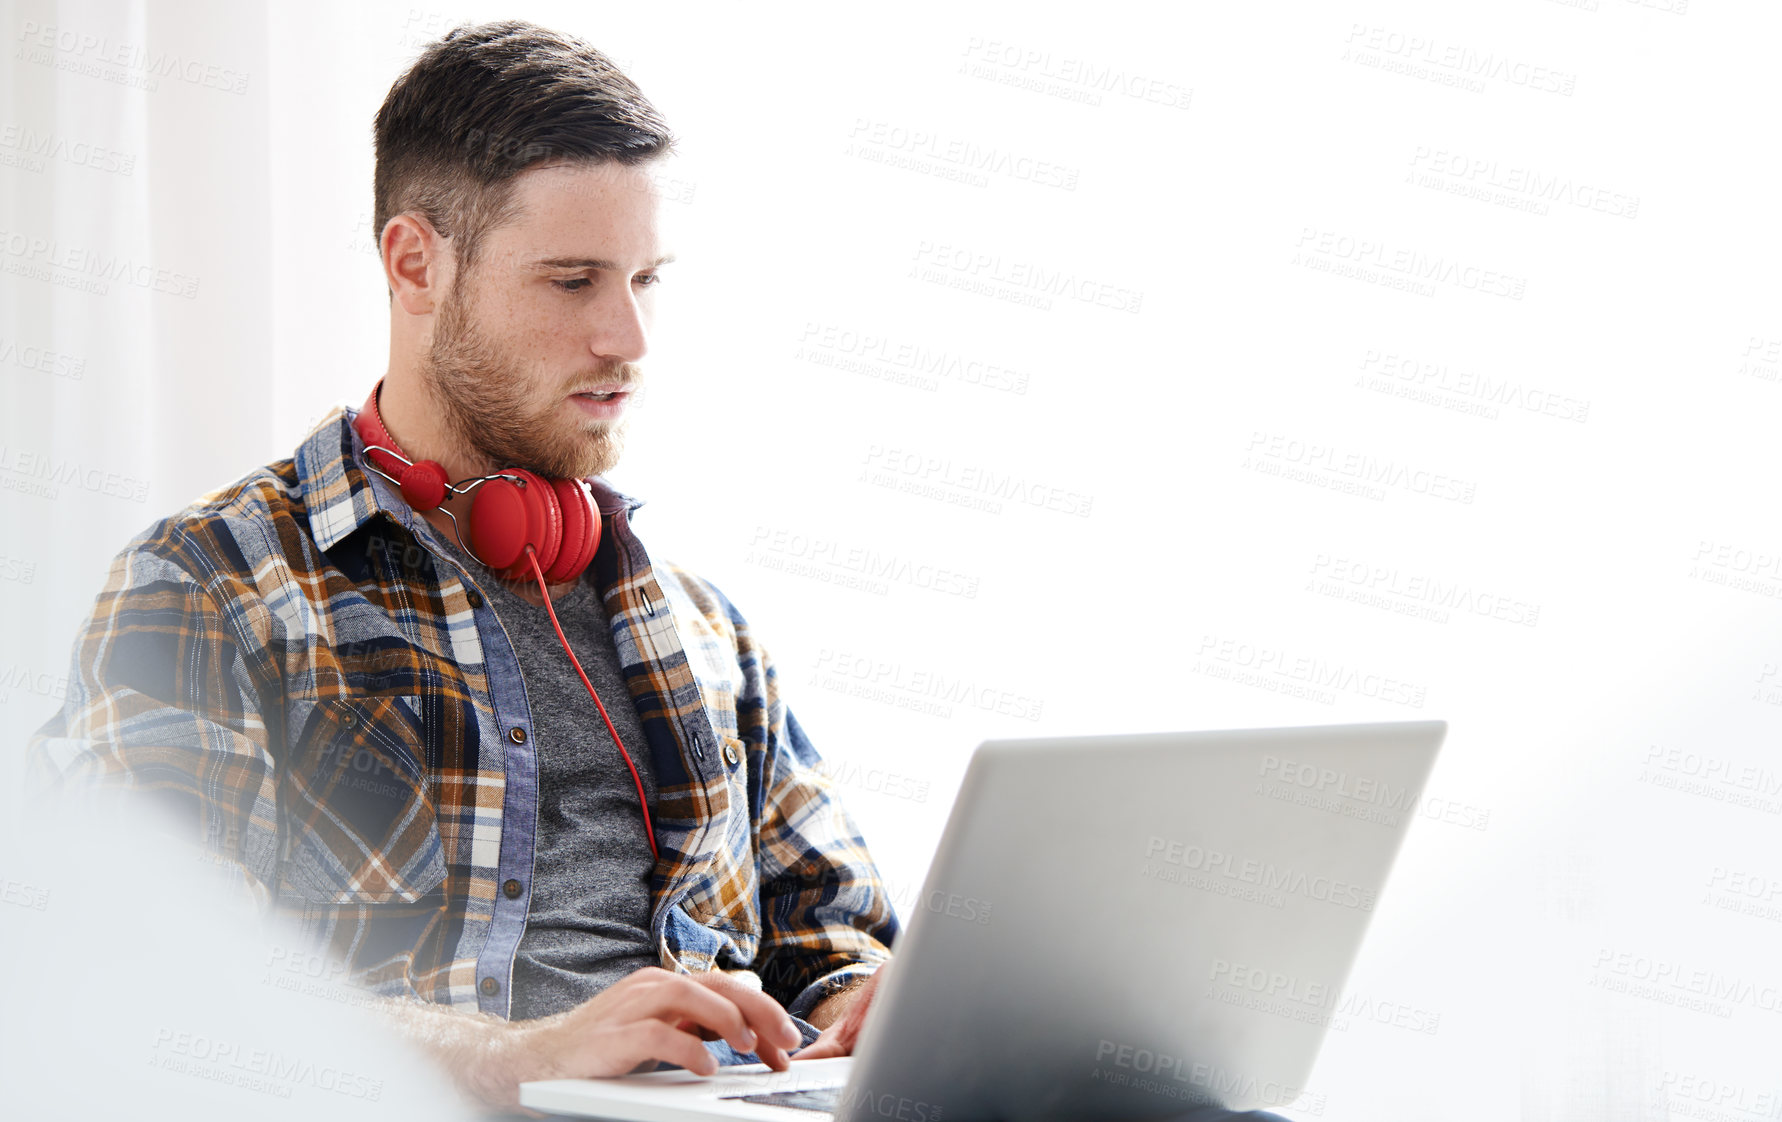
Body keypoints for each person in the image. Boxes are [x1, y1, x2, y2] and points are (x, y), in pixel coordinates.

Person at [24, 19, 896, 1112]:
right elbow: (153, 982)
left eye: (646, 279)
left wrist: (867, 998)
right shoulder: (206, 588)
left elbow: (837, 932)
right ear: (414, 263)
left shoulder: (705, 628)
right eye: (573, 281)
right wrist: (518, 1056)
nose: (628, 339)